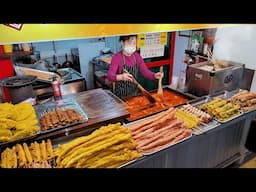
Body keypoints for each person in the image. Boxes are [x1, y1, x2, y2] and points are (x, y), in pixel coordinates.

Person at [107, 34, 163, 99]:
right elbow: (110, 76)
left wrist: (154, 75)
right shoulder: (117, 58)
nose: (132, 45)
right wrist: (121, 77)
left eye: (134, 43)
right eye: (129, 43)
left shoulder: (137, 56)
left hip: (134, 94)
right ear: (122, 43)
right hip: (121, 97)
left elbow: (145, 72)